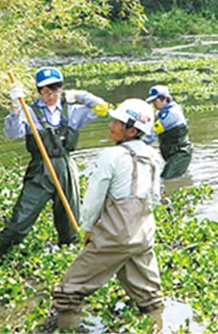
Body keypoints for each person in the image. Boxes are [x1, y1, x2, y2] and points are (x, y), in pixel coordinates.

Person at [52, 99, 165, 331]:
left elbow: (94, 199)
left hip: (115, 236)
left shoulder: (111, 156)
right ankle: (157, 326)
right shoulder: (155, 158)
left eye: (117, 122)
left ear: (132, 130)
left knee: (69, 291)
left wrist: (88, 228)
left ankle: (66, 329)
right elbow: (155, 199)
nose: (110, 125)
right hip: (143, 235)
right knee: (149, 295)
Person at [0, 67, 110, 262]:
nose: (51, 95)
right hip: (40, 170)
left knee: (69, 220)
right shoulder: (29, 111)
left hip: (65, 167)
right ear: (39, 91)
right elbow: (12, 134)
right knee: (21, 218)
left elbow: (102, 108)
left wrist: (78, 95)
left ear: (61, 88)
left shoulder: (73, 110)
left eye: (55, 89)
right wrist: (14, 107)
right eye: (45, 90)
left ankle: (68, 256)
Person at [144, 84, 193, 179]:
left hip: (180, 154)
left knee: (165, 179)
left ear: (165, 99)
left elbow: (152, 134)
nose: (153, 103)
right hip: (172, 153)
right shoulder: (163, 111)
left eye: (155, 100)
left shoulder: (171, 114)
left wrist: (136, 145)